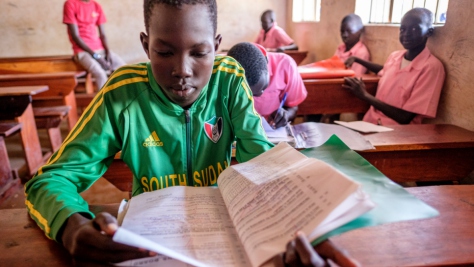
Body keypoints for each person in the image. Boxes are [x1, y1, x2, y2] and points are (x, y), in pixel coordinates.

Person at [26, 1, 356, 266]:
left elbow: (264, 163)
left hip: (228, 237)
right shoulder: (122, 94)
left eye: (199, 53)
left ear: (216, 46)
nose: (182, 71)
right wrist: (70, 225)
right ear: (146, 45)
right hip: (151, 238)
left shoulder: (228, 81)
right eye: (164, 52)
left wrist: (304, 230)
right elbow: (50, 179)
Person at [343, 8, 445, 125]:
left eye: (414, 28)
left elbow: (405, 117)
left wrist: (365, 95)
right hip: (370, 122)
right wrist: (357, 59)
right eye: (402, 29)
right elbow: (383, 70)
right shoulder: (395, 56)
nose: (406, 34)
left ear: (429, 32)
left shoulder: (431, 67)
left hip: (395, 132)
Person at [228, 42, 307, 129]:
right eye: (251, 94)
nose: (259, 96)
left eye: (263, 88)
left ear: (267, 62)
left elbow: (293, 106)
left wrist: (286, 114)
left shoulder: (286, 65)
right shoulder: (224, 71)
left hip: (271, 131)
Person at [63, 0, 126, 90]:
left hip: (100, 49)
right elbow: (75, 36)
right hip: (82, 51)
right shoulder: (70, 4)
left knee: (124, 68)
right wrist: (97, 57)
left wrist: (108, 52)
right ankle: (103, 103)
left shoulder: (96, 5)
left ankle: (125, 99)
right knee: (100, 74)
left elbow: (103, 35)